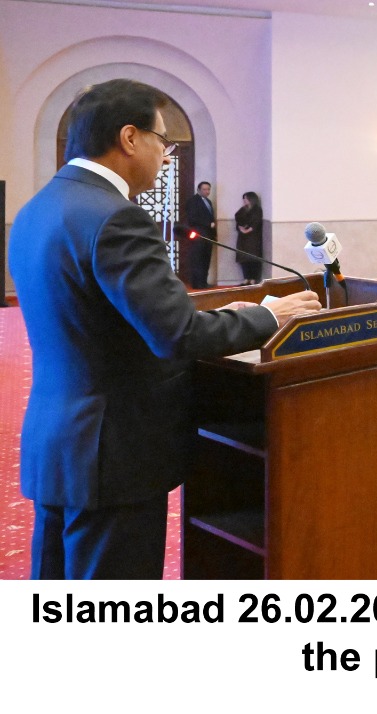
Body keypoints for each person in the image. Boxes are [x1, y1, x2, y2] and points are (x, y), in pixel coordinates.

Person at [11, 78, 321, 579]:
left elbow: (99, 317)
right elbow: (178, 334)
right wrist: (271, 317)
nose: (164, 153)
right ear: (130, 138)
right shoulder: (116, 218)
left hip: (59, 442)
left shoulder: (38, 208)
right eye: (162, 140)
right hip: (113, 453)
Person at [184, 179, 216, 287]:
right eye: (204, 189)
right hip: (198, 234)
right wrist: (208, 224)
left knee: (206, 259)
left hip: (208, 235)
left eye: (208, 189)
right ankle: (197, 283)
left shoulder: (208, 202)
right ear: (198, 190)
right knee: (198, 259)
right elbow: (192, 219)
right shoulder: (193, 201)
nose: (207, 191)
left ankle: (203, 282)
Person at [233, 191, 264, 284]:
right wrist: (241, 228)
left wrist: (248, 230)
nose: (244, 200)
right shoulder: (243, 210)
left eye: (246, 198)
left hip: (253, 238)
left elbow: (256, 223)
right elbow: (238, 219)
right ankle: (246, 278)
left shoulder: (257, 210)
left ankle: (253, 278)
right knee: (243, 258)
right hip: (243, 238)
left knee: (253, 258)